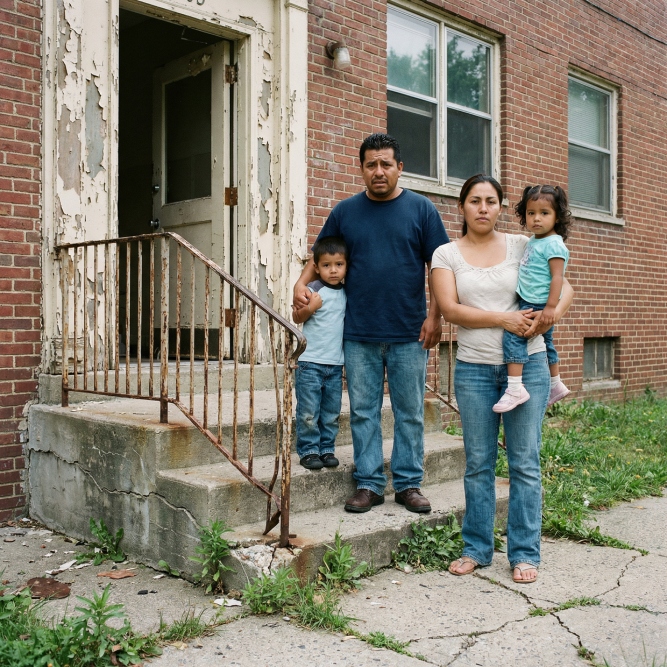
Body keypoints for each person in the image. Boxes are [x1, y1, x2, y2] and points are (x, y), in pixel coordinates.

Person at [293, 133, 449, 513]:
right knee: (363, 412)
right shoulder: (345, 212)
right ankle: (369, 483)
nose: (378, 171)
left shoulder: (422, 209)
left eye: (386, 164)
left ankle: (409, 484)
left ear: (400, 167)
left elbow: (441, 266)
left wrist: (435, 316)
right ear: (361, 168)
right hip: (358, 332)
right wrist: (300, 283)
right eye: (371, 165)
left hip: (409, 331)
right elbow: (319, 256)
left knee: (409, 411)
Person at [430, 174, 573, 584]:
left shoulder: (523, 244)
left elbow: (566, 290)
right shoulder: (446, 254)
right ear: (462, 207)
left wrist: (548, 318)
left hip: (528, 365)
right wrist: (505, 318)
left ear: (499, 206)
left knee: (525, 462)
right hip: (475, 369)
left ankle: (525, 552)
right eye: (474, 201)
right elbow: (450, 309)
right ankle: (477, 547)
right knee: (478, 463)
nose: (482, 208)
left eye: (491, 201)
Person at [492, 185, 572, 413]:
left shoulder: (554, 244)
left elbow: (558, 278)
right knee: (547, 343)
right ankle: (555, 383)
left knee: (514, 336)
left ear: (557, 217)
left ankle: (515, 388)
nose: (536, 219)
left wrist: (550, 308)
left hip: (537, 303)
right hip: (533, 299)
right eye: (531, 213)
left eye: (544, 213)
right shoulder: (536, 240)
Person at [292, 236, 348, 470]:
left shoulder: (347, 293)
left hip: (335, 364)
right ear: (316, 267)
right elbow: (295, 318)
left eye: (338, 265)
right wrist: (310, 308)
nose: (333, 271)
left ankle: (326, 449)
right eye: (326, 265)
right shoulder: (312, 290)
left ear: (346, 265)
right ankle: (308, 450)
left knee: (330, 412)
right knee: (308, 411)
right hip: (309, 362)